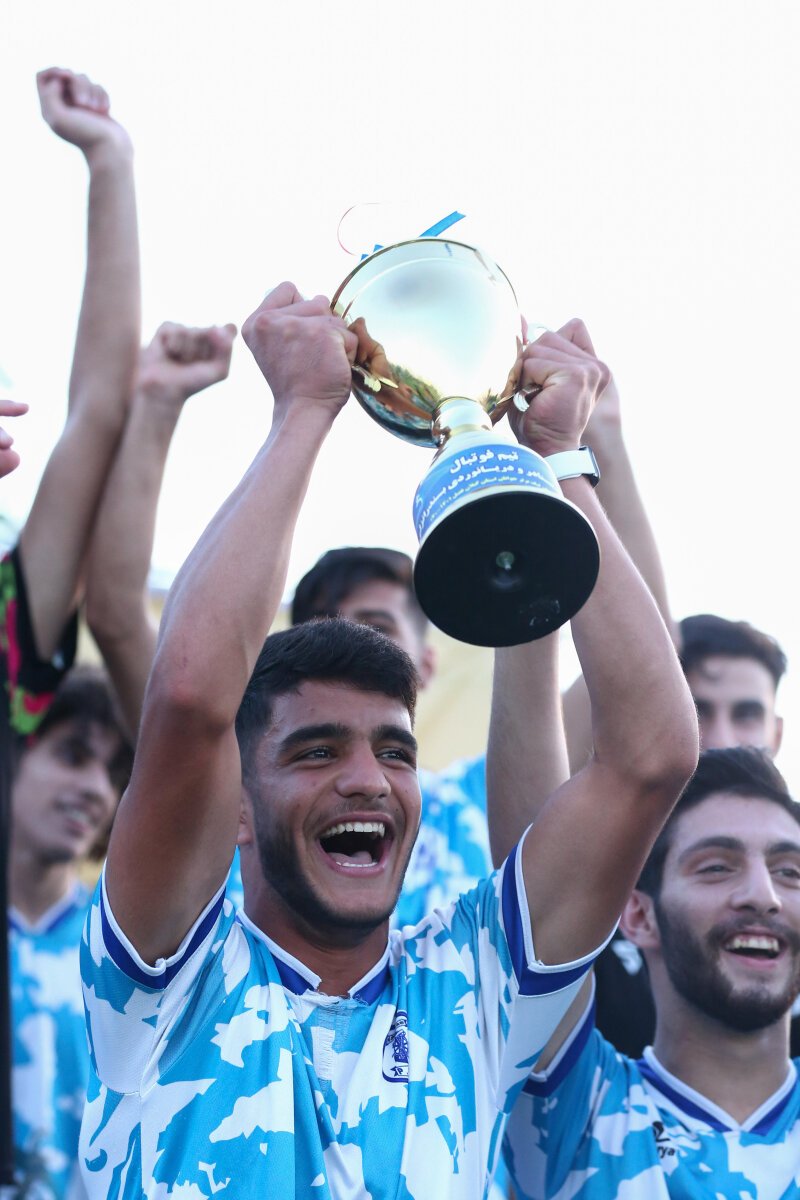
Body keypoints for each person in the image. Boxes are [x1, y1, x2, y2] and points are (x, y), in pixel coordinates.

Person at [78, 289, 696, 1196]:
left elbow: (652, 756)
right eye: (317, 751)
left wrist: (556, 462)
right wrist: (302, 412)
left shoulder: (474, 983)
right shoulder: (169, 976)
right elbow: (187, 696)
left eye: (396, 751)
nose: (368, 780)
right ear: (235, 808)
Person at [503, 746, 800, 1199]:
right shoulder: (583, 1114)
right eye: (717, 867)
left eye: (791, 873)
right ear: (640, 916)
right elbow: (538, 887)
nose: (764, 896)